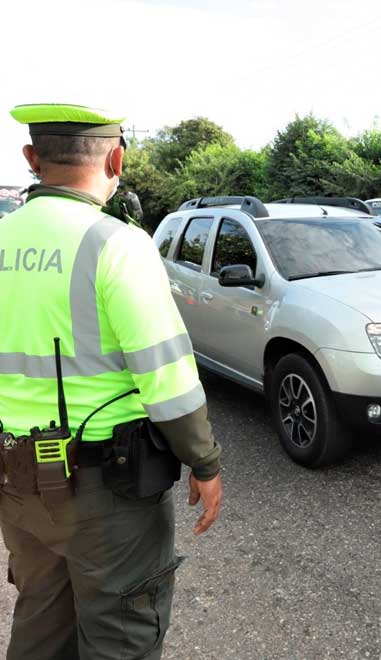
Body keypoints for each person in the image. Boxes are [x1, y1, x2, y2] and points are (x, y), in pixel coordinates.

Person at [0, 104, 223, 659]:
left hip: (15, 481)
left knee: (40, 623)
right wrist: (204, 462)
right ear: (116, 159)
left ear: (31, 158)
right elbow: (166, 377)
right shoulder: (116, 243)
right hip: (104, 492)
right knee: (121, 634)